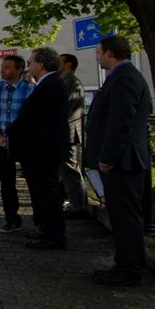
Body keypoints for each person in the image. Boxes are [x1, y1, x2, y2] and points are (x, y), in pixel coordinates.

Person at [86, 35, 152, 286]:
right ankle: (123, 263)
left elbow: (120, 122)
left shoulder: (125, 78)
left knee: (126, 217)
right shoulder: (121, 77)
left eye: (99, 52)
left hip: (123, 161)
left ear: (110, 53)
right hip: (121, 160)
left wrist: (108, 157)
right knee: (120, 216)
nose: (97, 56)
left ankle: (130, 269)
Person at [8, 47, 70, 249]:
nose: (29, 65)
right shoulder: (48, 84)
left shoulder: (50, 86)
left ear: (41, 64)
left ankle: (54, 236)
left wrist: (13, 129)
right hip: (40, 149)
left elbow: (35, 118)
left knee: (48, 194)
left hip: (44, 150)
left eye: (31, 62)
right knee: (41, 193)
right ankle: (45, 229)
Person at [0, 55, 35, 233]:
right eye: (2, 67)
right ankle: (11, 218)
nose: (2, 70)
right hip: (2, 143)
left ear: (19, 70)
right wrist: (0, 136)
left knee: (33, 182)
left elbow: (35, 118)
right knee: (7, 183)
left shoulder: (30, 89)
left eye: (8, 67)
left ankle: (40, 221)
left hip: (26, 144)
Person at [58, 54, 89, 219]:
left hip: (69, 132)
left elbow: (63, 106)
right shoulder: (64, 80)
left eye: (59, 61)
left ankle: (79, 205)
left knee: (71, 169)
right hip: (65, 131)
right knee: (66, 169)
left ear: (68, 64)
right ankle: (74, 202)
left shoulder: (71, 82)